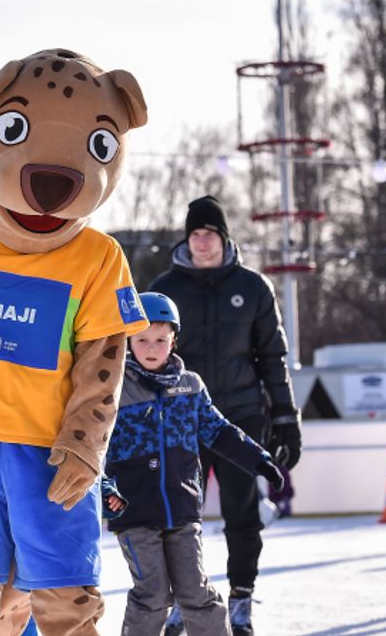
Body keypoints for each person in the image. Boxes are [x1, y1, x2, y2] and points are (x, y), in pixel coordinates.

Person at [148, 195, 301, 636]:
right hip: (181, 418)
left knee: (242, 511)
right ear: (187, 238)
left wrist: (286, 417)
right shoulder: (166, 289)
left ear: (223, 237)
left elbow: (273, 356)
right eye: (194, 234)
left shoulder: (253, 288)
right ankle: (182, 601)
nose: (201, 242)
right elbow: (147, 354)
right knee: (179, 515)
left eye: (209, 234)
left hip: (240, 415)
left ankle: (241, 598)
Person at [103, 292, 284, 636]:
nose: (151, 347)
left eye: (160, 339)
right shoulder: (115, 388)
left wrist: (258, 459)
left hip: (183, 510)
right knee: (152, 596)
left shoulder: (191, 387)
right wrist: (104, 489)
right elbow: (99, 448)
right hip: (134, 513)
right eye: (142, 339)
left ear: (174, 340)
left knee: (196, 592)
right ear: (128, 339)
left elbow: (219, 431)